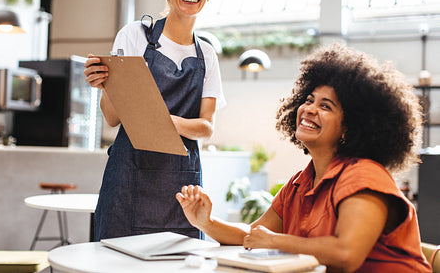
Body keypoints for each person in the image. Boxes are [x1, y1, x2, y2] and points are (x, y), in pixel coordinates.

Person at [176, 43, 431, 272]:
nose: (309, 109)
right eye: (309, 100)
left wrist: (276, 241)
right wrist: (206, 222)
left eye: (325, 106)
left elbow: (347, 254)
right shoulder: (299, 184)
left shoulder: (364, 175)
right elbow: (254, 234)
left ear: (349, 128)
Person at [84, 0, 225, 240]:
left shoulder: (208, 55)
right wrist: (105, 83)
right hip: (128, 179)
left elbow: (206, 127)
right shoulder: (135, 36)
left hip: (181, 189)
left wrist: (164, 122)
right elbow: (111, 118)